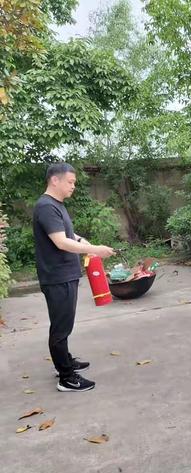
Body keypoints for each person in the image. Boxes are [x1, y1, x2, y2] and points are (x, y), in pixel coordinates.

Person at [33, 163, 115, 392]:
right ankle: (66, 378)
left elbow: (66, 234)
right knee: (61, 327)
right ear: (54, 180)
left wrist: (82, 241)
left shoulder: (56, 206)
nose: (73, 187)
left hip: (64, 274)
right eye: (70, 182)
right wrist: (97, 249)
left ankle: (65, 362)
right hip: (57, 276)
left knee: (64, 324)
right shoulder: (47, 206)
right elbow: (60, 242)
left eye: (74, 183)